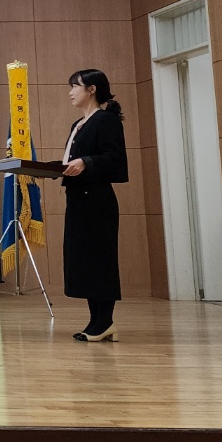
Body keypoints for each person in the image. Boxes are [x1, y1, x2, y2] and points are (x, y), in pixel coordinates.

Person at [61, 68, 128, 343]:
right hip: (78, 200)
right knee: (85, 261)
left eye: (75, 86)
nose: (70, 92)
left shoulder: (106, 120)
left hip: (97, 201)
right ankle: (96, 321)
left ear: (92, 90)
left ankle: (105, 321)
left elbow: (115, 159)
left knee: (100, 260)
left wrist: (86, 162)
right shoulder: (78, 124)